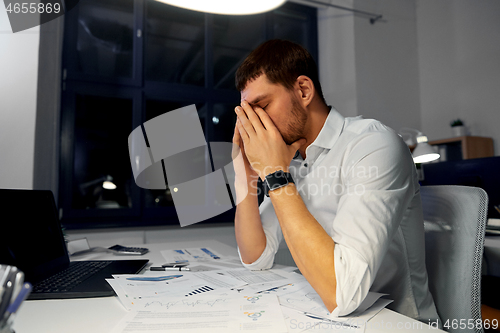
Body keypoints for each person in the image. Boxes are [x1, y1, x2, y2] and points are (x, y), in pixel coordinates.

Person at [232, 39, 440, 322]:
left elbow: (343, 294)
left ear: (303, 90)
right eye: (249, 114)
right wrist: (245, 175)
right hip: (335, 319)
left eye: (262, 106)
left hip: (401, 322)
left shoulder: (373, 145)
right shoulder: (291, 163)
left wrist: (274, 174)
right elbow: (256, 257)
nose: (255, 124)